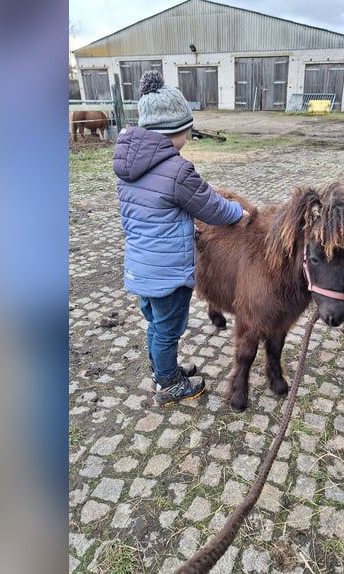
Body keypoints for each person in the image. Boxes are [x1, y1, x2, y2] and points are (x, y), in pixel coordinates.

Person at [113, 70, 248, 407]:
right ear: (177, 131)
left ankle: (164, 368)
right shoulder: (177, 170)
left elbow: (151, 213)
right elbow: (212, 207)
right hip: (167, 273)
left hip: (140, 267)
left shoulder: (128, 166)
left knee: (156, 325)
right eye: (187, 129)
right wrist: (239, 213)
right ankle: (169, 385)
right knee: (169, 328)